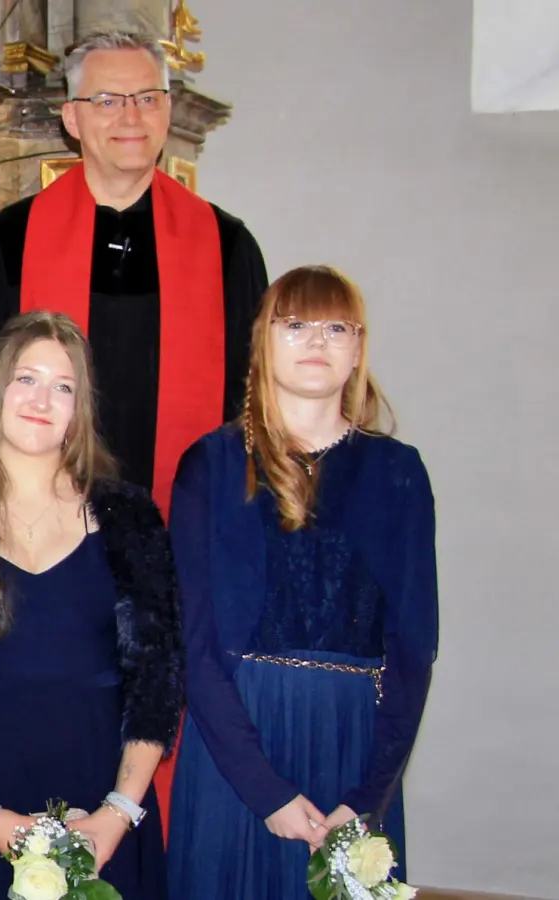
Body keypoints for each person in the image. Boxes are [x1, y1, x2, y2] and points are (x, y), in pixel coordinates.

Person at [0, 311, 183, 899]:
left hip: (102, 796)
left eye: (63, 386)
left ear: (82, 408)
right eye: (26, 379)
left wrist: (117, 813)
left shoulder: (131, 518)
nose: (42, 399)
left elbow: (159, 675)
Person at [166, 266, 437, 899]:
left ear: (357, 349)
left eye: (335, 327)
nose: (317, 340)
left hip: (354, 743)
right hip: (237, 748)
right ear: (263, 340)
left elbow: (414, 645)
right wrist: (265, 791)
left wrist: (367, 798)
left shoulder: (398, 473)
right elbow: (194, 644)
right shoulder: (211, 464)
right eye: (295, 325)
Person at [0, 31, 268, 510]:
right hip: (37, 536)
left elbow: (254, 406)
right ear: (72, 117)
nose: (131, 117)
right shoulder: (10, 242)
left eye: (149, 98)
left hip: (190, 534)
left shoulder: (226, 247)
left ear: (168, 110)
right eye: (108, 99)